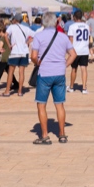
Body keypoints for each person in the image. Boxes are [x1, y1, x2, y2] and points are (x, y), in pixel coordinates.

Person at [31, 13, 76, 144]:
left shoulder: (38, 36)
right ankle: (62, 134)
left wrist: (38, 62)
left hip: (44, 74)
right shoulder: (63, 37)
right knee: (59, 104)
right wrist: (65, 65)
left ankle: (44, 135)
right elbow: (73, 54)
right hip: (59, 74)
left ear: (43, 23)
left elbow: (34, 56)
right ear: (56, 23)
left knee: (41, 105)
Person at [5, 16, 34, 96]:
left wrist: (9, 45)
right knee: (21, 72)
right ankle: (20, 91)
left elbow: (5, 35)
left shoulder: (11, 27)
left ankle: (7, 91)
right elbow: (35, 35)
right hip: (24, 52)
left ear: (14, 20)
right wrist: (28, 42)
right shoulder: (26, 28)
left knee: (11, 71)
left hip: (15, 52)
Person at [66, 11, 92, 94]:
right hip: (84, 50)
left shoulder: (72, 26)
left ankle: (72, 86)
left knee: (74, 69)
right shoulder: (87, 26)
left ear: (74, 17)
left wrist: (69, 51)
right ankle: (84, 88)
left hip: (75, 50)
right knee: (84, 68)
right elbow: (88, 37)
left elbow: (70, 39)